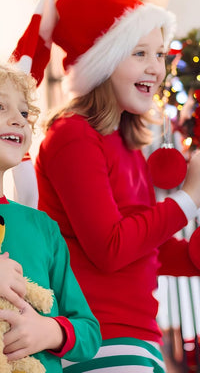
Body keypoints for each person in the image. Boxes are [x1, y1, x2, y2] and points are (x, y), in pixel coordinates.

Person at [11, 0, 200, 372]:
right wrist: (188, 197)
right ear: (102, 59)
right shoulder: (73, 137)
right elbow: (110, 248)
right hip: (97, 341)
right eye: (139, 53)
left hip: (134, 337)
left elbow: (146, 248)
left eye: (160, 54)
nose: (156, 67)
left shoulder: (126, 144)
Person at [0, 61, 101, 372]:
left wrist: (49, 331)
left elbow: (88, 331)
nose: (18, 120)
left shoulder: (43, 228)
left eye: (25, 114)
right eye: (1, 107)